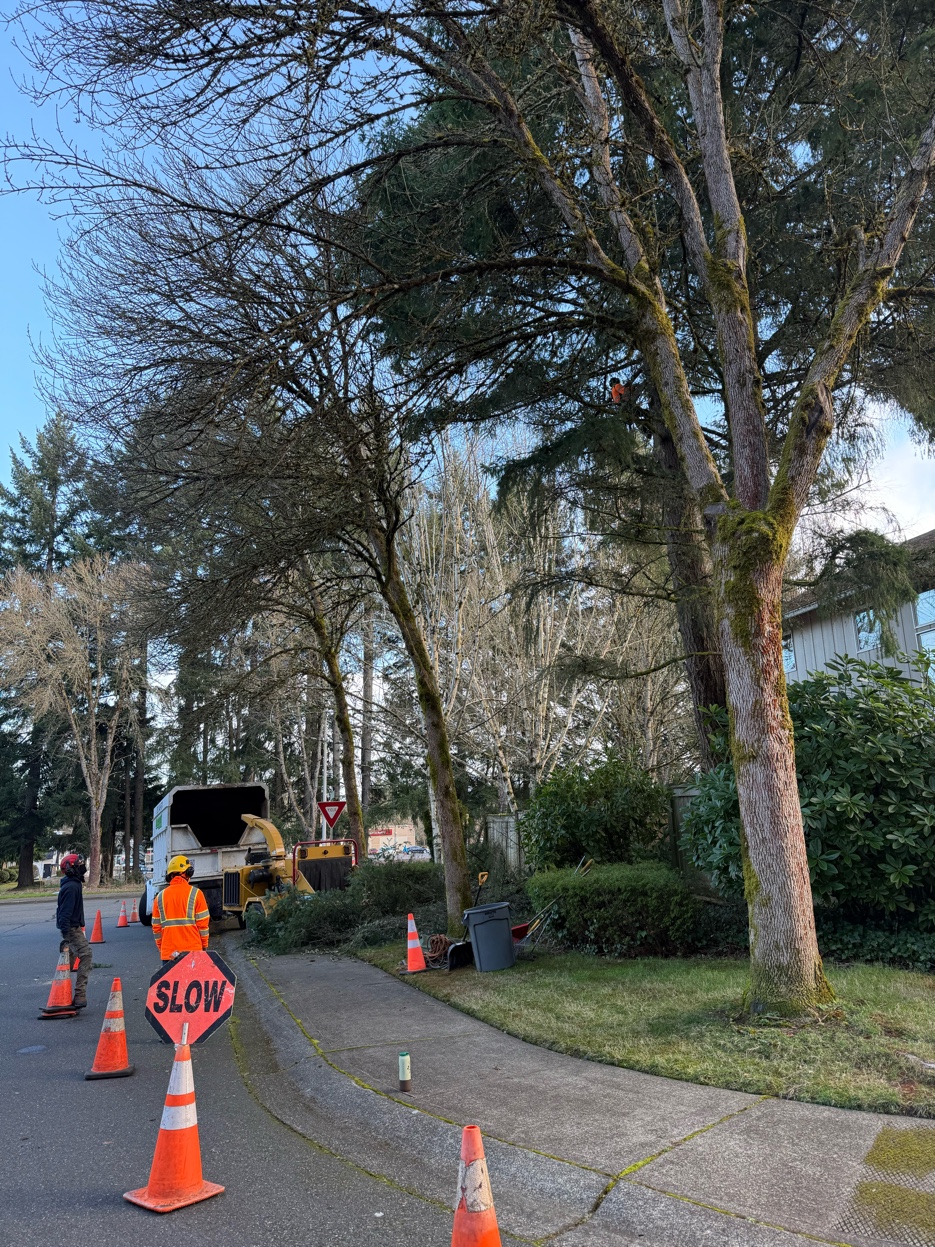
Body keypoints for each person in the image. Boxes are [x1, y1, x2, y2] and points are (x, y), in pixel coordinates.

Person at [152, 855, 211, 962]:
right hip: (193, 952)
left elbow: (156, 928)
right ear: (188, 873)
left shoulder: (159, 897)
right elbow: (203, 925)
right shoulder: (196, 894)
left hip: (169, 954)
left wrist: (163, 948)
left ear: (170, 876)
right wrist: (204, 945)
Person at [56, 852, 91, 1008]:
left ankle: (61, 991)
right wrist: (66, 935)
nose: (82, 867)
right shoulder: (71, 887)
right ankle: (79, 995)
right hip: (71, 929)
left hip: (72, 927)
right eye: (79, 864)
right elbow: (64, 913)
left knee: (68, 960)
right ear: (71, 868)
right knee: (86, 955)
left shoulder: (73, 884)